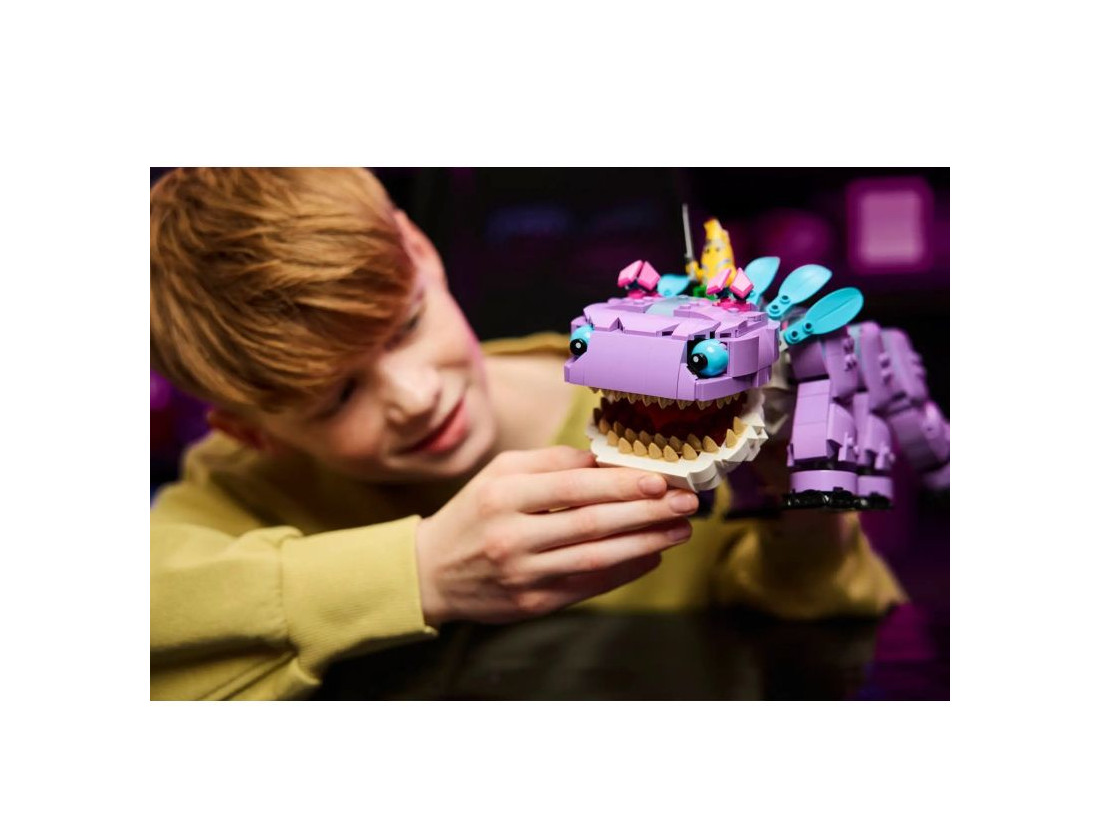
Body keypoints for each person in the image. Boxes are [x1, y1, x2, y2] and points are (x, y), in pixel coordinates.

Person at [150, 168, 903, 699]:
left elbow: (831, 616)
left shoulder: (662, 398)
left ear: (417, 249)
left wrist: (805, 497)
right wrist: (420, 571)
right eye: (337, 398)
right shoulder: (246, 483)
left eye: (406, 325)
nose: (414, 396)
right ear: (251, 432)